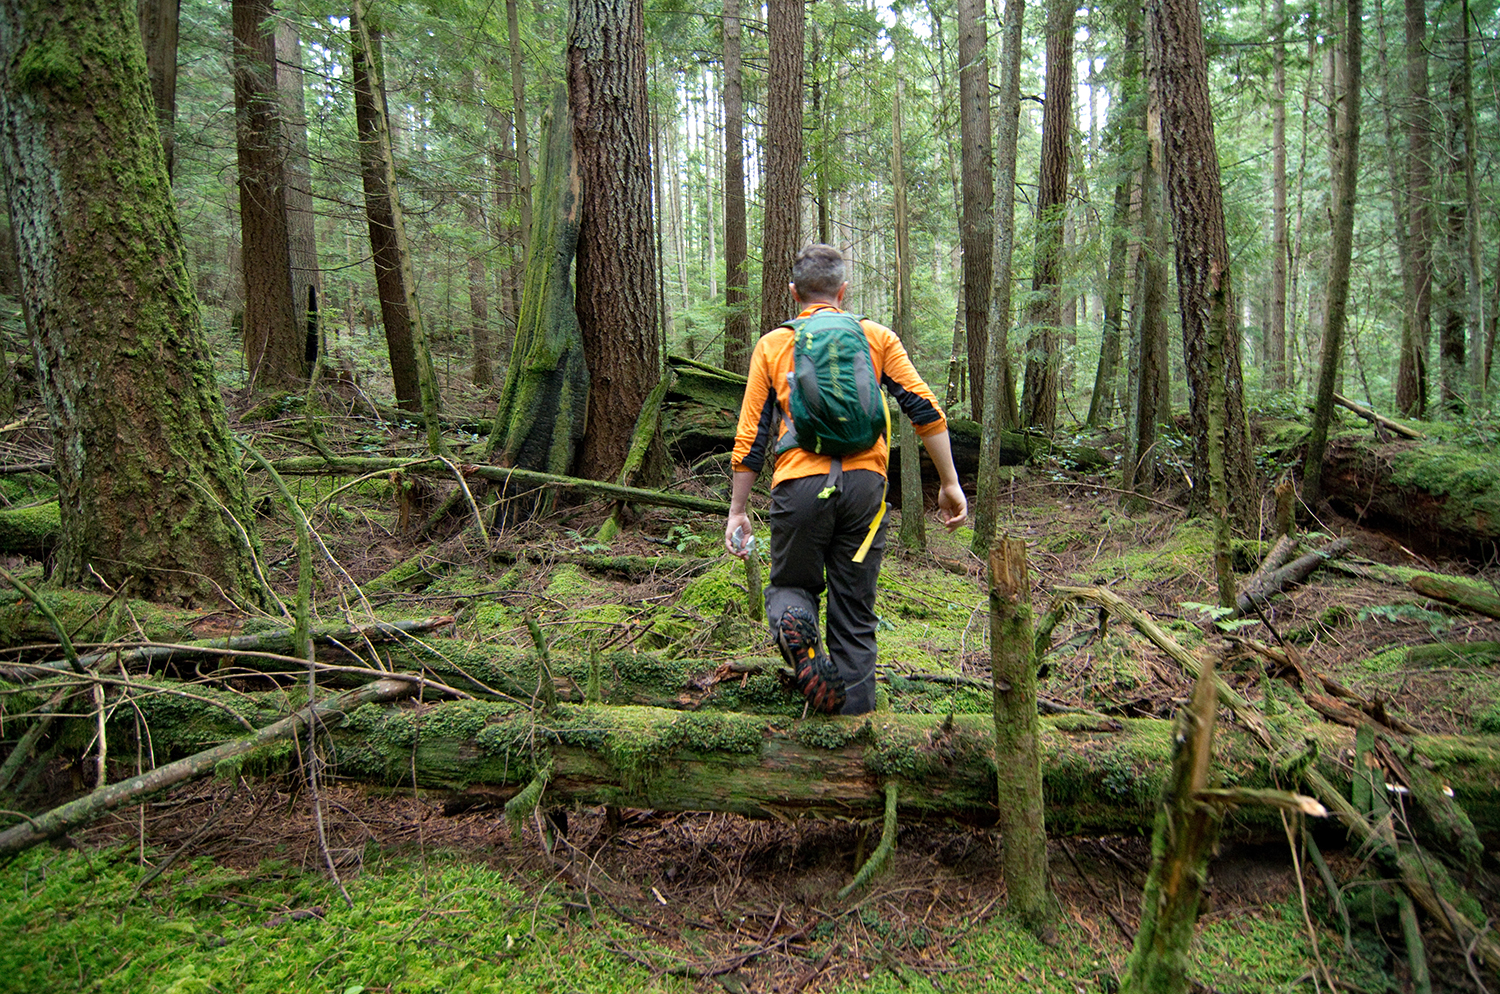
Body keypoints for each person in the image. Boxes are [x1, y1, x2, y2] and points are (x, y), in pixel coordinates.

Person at [725, 244, 967, 715]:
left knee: (791, 586)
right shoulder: (875, 336)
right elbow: (923, 408)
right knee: (855, 611)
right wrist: (949, 482)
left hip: (799, 487)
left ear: (793, 292)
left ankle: (801, 635)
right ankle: (856, 726)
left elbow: (750, 436)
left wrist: (738, 509)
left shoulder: (775, 344)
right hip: (864, 490)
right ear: (843, 290)